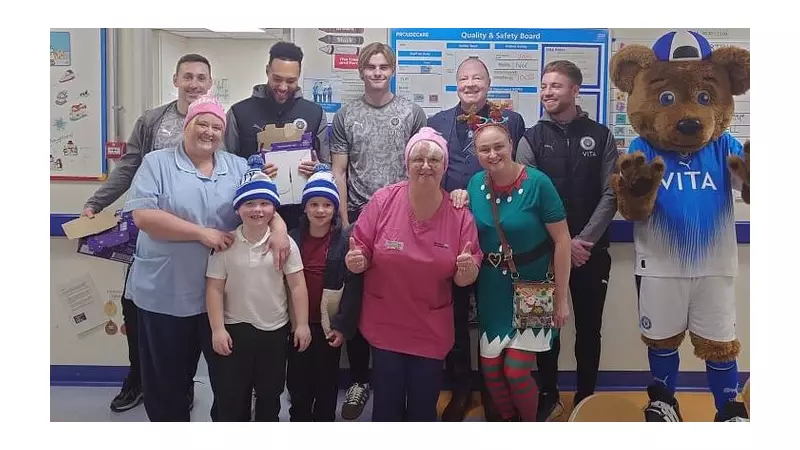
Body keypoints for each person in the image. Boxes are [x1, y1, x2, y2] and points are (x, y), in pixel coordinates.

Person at [122, 95, 288, 422]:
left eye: (216, 126)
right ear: (187, 126)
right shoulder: (157, 163)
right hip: (165, 294)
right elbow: (143, 216)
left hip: (224, 302)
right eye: (202, 123)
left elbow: (264, 205)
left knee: (229, 386)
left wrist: (280, 229)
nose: (209, 132)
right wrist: (202, 233)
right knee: (167, 384)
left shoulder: (238, 167)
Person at [82, 54, 218, 413]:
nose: (194, 83)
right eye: (187, 76)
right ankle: (138, 379)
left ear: (210, 83)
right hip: (153, 233)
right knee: (138, 309)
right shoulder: (152, 120)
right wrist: (97, 202)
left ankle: (184, 383)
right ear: (175, 79)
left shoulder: (222, 120)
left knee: (195, 315)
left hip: (202, 237)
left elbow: (235, 165)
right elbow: (129, 165)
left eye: (201, 78)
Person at [345, 127, 482, 422]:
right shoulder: (384, 201)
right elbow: (361, 250)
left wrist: (467, 272)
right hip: (386, 324)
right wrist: (357, 260)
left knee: (423, 409)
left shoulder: (460, 215)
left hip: (430, 329)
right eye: (418, 158)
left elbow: (463, 278)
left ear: (445, 167)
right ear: (406, 164)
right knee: (387, 409)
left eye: (434, 160)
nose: (425, 166)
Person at [515, 60, 619, 420]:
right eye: (544, 86)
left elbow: (611, 194)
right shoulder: (529, 138)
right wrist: (561, 243)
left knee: (589, 329)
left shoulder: (601, 135)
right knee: (544, 327)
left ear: (576, 90)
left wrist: (581, 242)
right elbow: (526, 198)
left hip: (590, 253)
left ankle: (587, 397)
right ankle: (549, 395)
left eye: (556, 86)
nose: (548, 92)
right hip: (541, 253)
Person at [330, 42, 427, 420]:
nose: (376, 73)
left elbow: (423, 167)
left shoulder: (411, 113)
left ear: (393, 69)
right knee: (355, 300)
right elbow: (339, 169)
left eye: (383, 66)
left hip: (403, 218)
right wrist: (343, 221)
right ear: (360, 71)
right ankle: (359, 379)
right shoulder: (346, 115)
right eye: (370, 67)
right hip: (358, 217)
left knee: (396, 299)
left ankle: (395, 378)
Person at [427, 56, 526, 421]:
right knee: (452, 315)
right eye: (464, 78)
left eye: (477, 78)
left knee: (493, 313)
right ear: (456, 84)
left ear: (488, 83)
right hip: (448, 234)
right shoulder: (436, 123)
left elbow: (521, 172)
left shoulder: (511, 120)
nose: (470, 84)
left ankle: (494, 390)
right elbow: (427, 172)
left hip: (494, 232)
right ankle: (461, 389)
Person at [455, 119, 571, 421]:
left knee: (516, 370)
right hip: (492, 287)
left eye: (498, 147)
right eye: (484, 149)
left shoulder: (538, 183)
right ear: (476, 153)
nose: (492, 154)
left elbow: (562, 240)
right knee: (491, 370)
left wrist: (561, 298)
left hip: (534, 284)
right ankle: (507, 421)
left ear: (511, 146)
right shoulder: (474, 185)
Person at [205, 160, 311, 422]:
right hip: (235, 331)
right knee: (232, 396)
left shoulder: (286, 246)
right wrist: (218, 329)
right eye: (249, 204)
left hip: (274, 331)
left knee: (269, 393)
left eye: (264, 203)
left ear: (274, 208)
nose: (257, 210)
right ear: (238, 209)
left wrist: (303, 325)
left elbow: (297, 286)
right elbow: (214, 289)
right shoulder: (226, 245)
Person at [286, 166, 365, 422]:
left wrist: (342, 326)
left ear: (335, 209)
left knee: (326, 383)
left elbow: (353, 289)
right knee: (298, 384)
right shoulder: (291, 240)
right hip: (297, 326)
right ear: (305, 207)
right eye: (314, 204)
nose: (320, 210)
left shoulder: (345, 241)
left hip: (328, 328)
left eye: (327, 205)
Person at [224, 41, 329, 231]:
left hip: (303, 219)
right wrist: (252, 172)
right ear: (267, 71)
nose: (282, 87)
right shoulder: (239, 113)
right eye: (277, 79)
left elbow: (327, 165)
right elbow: (224, 167)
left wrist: (318, 170)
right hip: (253, 217)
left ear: (299, 76)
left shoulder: (314, 113)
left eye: (290, 81)